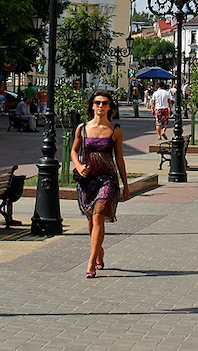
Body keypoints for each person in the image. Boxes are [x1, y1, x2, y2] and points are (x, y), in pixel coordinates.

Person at [71, 90, 130, 278]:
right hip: (88, 180)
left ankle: (90, 262)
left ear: (110, 107)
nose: (100, 106)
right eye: (97, 103)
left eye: (104, 103)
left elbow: (119, 159)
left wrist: (126, 184)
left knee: (98, 216)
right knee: (91, 219)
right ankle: (99, 251)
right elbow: (74, 151)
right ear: (92, 105)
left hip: (108, 179)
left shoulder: (115, 131)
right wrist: (79, 165)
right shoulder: (82, 128)